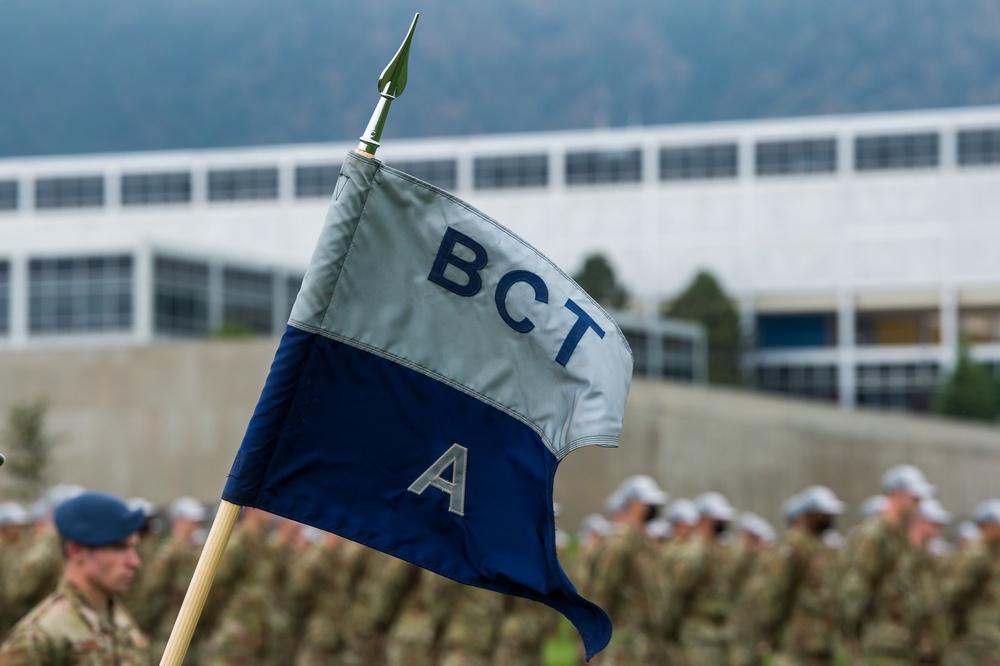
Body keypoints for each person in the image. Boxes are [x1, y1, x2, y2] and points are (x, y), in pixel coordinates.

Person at [0, 491, 149, 665]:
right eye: (119, 548)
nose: (134, 562)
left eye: (133, 548)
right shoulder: (40, 637)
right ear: (76, 551)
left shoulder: (121, 623)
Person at [733, 485, 846, 666]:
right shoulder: (794, 547)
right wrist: (767, 633)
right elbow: (776, 592)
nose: (828, 519)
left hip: (824, 645)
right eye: (822, 515)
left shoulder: (826, 550)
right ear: (808, 516)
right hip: (797, 645)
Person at [841, 463, 934, 664]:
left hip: (902, 644)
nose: (919, 504)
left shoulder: (901, 537)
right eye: (914, 499)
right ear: (896, 495)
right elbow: (857, 588)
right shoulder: (875, 535)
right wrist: (851, 638)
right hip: (879, 644)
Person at [583, 474, 667, 664]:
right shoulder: (620, 544)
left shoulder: (644, 543)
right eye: (647, 503)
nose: (651, 508)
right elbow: (602, 593)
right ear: (632, 504)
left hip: (646, 646)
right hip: (623, 649)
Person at [666, 491, 737, 665]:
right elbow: (675, 597)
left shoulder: (717, 552)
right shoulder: (694, 554)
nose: (723, 523)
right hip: (697, 642)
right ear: (704, 520)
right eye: (718, 519)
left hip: (718, 638)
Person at [945, 498, 1000, 665]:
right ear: (987, 526)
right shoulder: (977, 555)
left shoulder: (993, 554)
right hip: (981, 637)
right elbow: (955, 594)